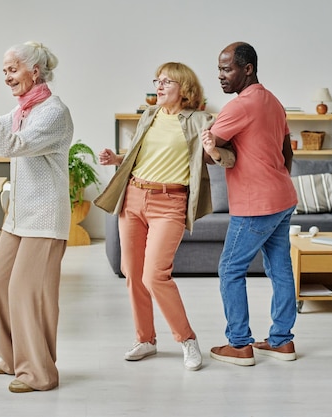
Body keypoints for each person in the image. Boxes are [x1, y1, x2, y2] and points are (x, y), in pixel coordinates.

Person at [94, 62, 235, 371]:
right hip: (133, 197)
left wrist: (212, 150)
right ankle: (145, 339)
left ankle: (187, 339)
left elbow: (227, 157)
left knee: (155, 275)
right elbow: (139, 157)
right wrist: (117, 159)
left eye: (167, 82)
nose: (158, 86)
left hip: (170, 202)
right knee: (132, 271)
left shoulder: (200, 120)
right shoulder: (149, 115)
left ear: (184, 89)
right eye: (157, 80)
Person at [0, 41, 73, 393]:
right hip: (18, 216)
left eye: (12, 69)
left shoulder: (53, 112)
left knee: (26, 291)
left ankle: (39, 372)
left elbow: (9, 146)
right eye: (4, 70)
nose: (6, 76)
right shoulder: (25, 109)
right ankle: (13, 358)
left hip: (44, 217)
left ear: (34, 72)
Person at [202, 42, 299, 366]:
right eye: (219, 69)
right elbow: (288, 154)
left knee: (230, 269)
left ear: (247, 69)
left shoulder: (240, 106)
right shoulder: (273, 101)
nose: (220, 76)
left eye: (227, 69)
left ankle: (240, 344)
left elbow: (206, 151)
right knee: (280, 269)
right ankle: (282, 341)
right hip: (283, 198)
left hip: (256, 204)